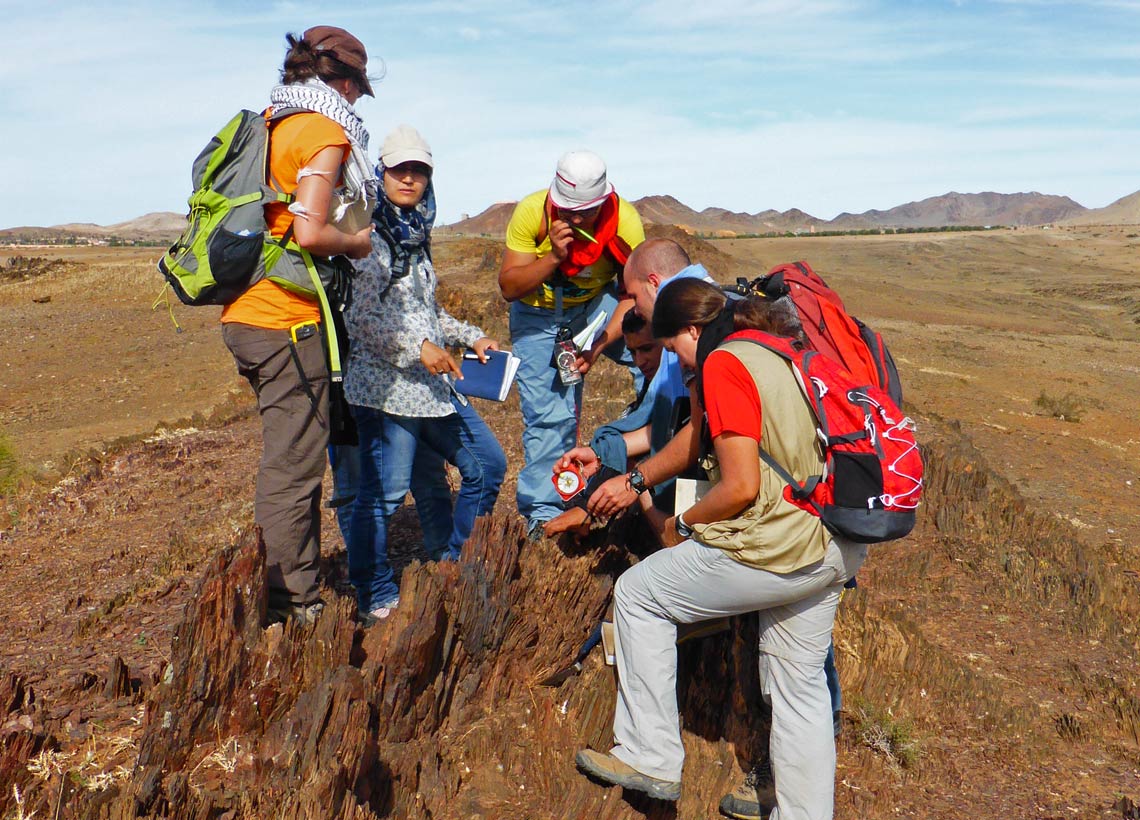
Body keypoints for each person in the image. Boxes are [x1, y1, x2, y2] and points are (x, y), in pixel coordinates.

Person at [573, 278, 866, 820]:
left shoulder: (725, 361)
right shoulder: (777, 347)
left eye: (674, 350)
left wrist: (683, 525)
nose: (679, 365)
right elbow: (706, 435)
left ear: (690, 330)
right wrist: (638, 481)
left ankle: (650, 754)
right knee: (799, 693)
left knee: (639, 594)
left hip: (782, 546)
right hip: (837, 541)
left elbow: (740, 486)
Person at [221, 26, 376, 626]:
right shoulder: (323, 130)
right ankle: (292, 606)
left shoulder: (272, 122)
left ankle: (292, 588)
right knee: (294, 466)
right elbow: (311, 232)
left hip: (247, 312)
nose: (358, 101)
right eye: (358, 88)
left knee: (292, 456)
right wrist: (358, 243)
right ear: (341, 81)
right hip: (286, 320)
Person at [344, 124, 506, 625]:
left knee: (487, 466)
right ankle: (374, 591)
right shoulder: (369, 238)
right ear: (382, 173)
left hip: (432, 391)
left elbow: (427, 314)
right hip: (384, 391)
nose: (410, 180)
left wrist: (470, 335)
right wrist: (420, 348)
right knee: (383, 497)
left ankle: (452, 564)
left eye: (419, 171)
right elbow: (360, 319)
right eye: (400, 170)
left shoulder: (416, 237)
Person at [498, 151, 645, 536]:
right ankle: (544, 514)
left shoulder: (624, 220)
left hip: (598, 307)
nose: (576, 219)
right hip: (538, 314)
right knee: (550, 416)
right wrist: (554, 258)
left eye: (586, 212)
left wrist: (598, 346)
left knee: (655, 353)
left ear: (603, 202)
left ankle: (651, 454)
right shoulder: (532, 212)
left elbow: (634, 293)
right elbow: (509, 287)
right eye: (567, 210)